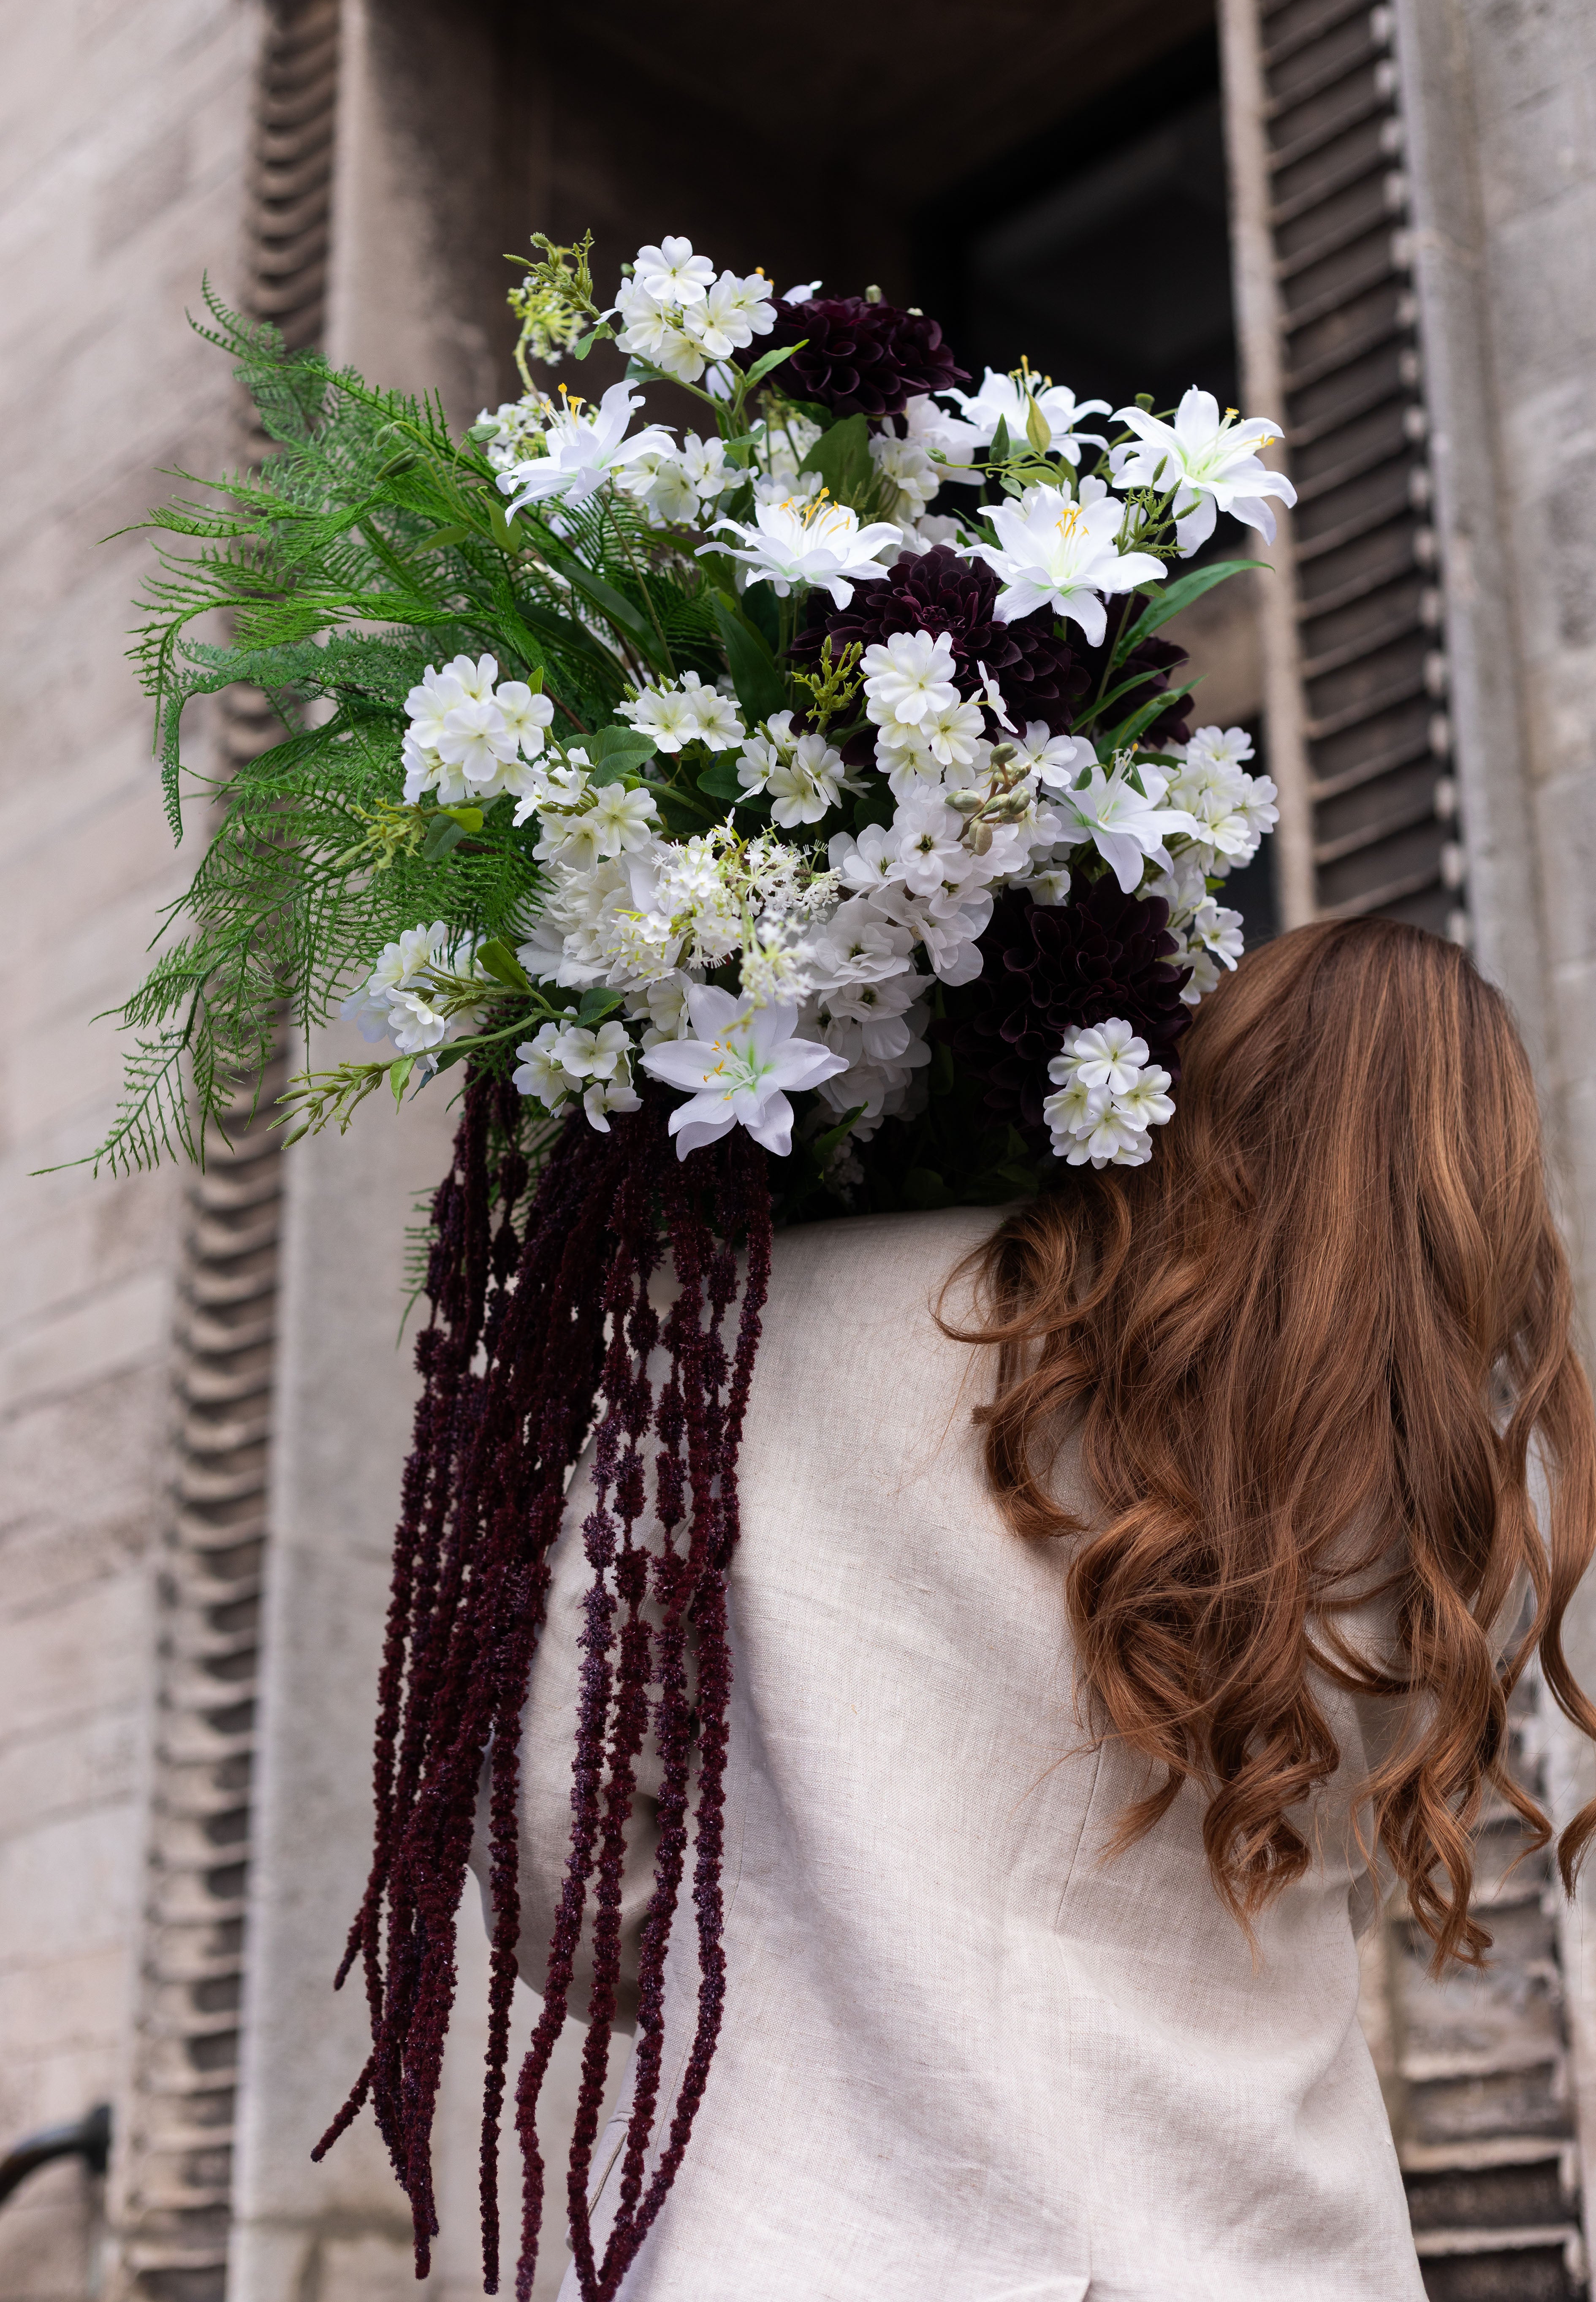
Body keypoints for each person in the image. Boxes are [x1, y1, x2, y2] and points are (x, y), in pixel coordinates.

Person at [484, 916, 1596, 2300]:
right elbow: (1300, 1887)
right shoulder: (1437, 1541)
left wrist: (790, 1964)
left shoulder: (768, 1326)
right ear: (1477, 1202)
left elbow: (567, 1840)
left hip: (822, 2231)